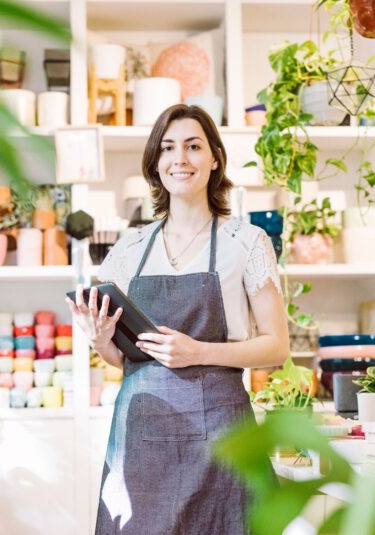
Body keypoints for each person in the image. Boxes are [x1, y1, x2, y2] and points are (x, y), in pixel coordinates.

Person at [65, 104, 290, 534]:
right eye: (167, 148)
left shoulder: (245, 241)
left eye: (193, 146)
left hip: (223, 438)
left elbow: (277, 346)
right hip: (142, 441)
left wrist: (198, 351)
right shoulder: (128, 250)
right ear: (155, 162)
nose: (179, 159)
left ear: (214, 159)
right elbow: (126, 359)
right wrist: (99, 340)